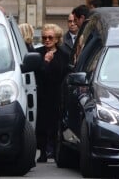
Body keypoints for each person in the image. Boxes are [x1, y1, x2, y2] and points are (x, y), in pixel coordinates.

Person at [35, 23, 69, 163]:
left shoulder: (63, 55)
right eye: (44, 37)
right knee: (42, 125)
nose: (47, 40)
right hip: (42, 95)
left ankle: (55, 151)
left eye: (50, 37)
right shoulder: (38, 54)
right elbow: (38, 73)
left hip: (57, 95)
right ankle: (43, 152)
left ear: (56, 39)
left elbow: (64, 73)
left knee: (55, 125)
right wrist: (46, 62)